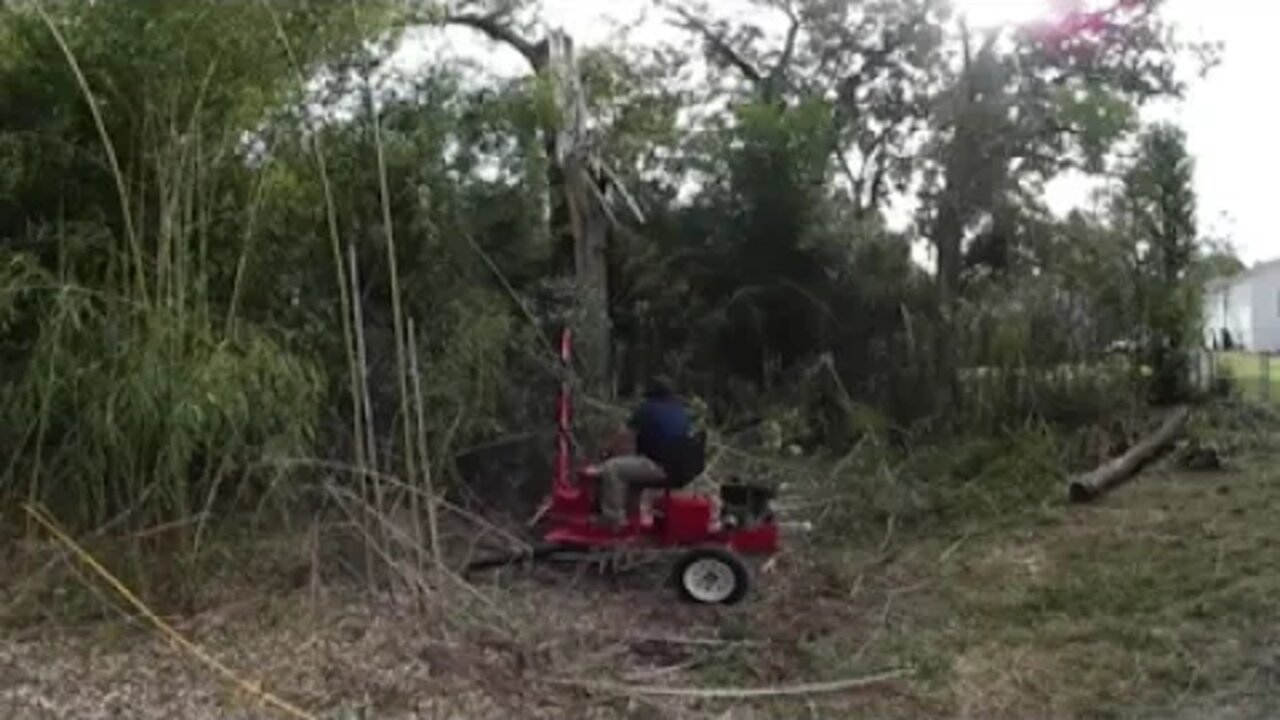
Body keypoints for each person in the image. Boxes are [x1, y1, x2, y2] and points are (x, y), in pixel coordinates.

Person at [597, 378, 694, 527]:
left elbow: (624, 436)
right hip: (679, 469)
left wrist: (606, 450)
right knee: (633, 478)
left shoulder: (647, 409)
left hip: (660, 466)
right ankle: (632, 521)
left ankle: (612, 521)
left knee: (612, 468)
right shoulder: (678, 410)